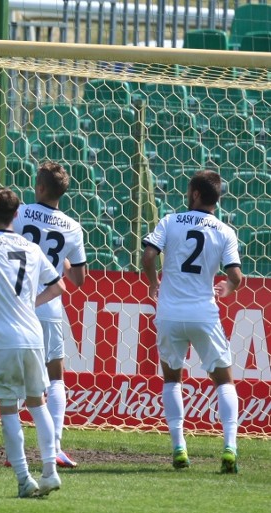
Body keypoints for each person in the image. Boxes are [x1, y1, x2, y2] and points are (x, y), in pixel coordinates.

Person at [0, 188, 66, 498]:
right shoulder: (31, 248)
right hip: (32, 337)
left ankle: (23, 478)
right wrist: (31, 304)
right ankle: (49, 470)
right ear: (16, 215)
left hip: (2, 341)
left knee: (8, 409)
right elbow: (58, 285)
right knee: (38, 402)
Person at [141, 170, 242, 474]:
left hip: (170, 313)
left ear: (196, 194)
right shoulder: (224, 231)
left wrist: (153, 282)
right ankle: (229, 448)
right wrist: (228, 287)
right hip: (203, 313)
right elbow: (236, 275)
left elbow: (148, 256)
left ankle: (179, 448)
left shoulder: (170, 221)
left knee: (172, 379)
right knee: (223, 381)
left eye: (189, 190)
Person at [12, 161, 87, 468]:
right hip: (50, 307)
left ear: (40, 187)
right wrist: (60, 264)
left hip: (17, 305)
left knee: (17, 377)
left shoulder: (19, 213)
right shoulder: (72, 227)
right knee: (55, 377)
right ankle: (55, 447)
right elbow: (79, 280)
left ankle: (13, 452)